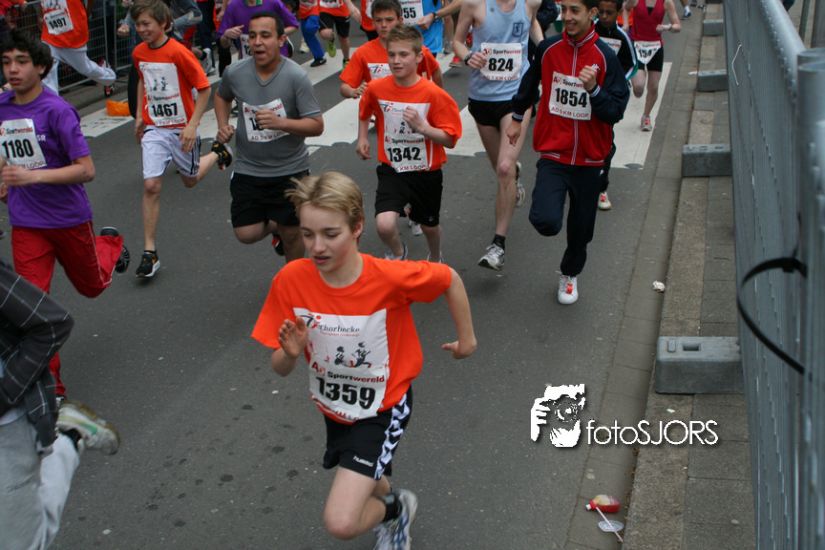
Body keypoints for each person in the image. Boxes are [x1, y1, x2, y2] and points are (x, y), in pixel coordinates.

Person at [251, 170, 476, 549]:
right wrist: (289, 354)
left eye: (330, 234)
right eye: (307, 234)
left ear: (357, 228)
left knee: (341, 521)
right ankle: (392, 506)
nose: (317, 247)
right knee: (368, 477)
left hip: (382, 407)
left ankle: (396, 511)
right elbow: (279, 366)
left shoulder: (388, 277)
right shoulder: (292, 280)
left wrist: (467, 341)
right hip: (335, 407)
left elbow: (448, 279)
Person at [0, 30, 129, 398]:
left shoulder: (57, 111)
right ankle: (53, 389)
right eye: (7, 62)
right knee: (33, 312)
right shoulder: (3, 107)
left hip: (68, 219)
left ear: (41, 67)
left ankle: (110, 245)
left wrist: (33, 176)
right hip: (27, 223)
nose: (12, 69)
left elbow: (86, 170)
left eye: (21, 62)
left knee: (92, 287)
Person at [506, 0, 629, 304]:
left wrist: (594, 90)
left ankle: (569, 273)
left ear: (592, 14)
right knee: (546, 221)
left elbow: (616, 111)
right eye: (564, 10)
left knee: (581, 230)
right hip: (555, 153)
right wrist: (517, 116)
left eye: (575, 10)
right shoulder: (548, 49)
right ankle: (550, 200)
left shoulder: (605, 57)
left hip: (591, 159)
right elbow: (529, 83)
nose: (567, 17)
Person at [0, 257, 120, 550]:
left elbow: (53, 322)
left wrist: (4, 393)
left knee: (23, 544)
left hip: (7, 429)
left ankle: (68, 437)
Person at [131, 0, 233, 279]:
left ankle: (218, 153)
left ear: (164, 23)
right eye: (138, 24)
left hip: (181, 129)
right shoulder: (139, 52)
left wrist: (191, 125)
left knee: (190, 179)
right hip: (155, 128)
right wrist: (139, 114)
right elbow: (142, 80)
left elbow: (204, 89)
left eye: (146, 24)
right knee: (151, 185)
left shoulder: (179, 53)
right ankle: (150, 252)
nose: (141, 29)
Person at [213, 11, 323, 261]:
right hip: (249, 168)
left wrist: (281, 123)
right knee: (246, 233)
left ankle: (294, 279)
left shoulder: (296, 76)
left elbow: (317, 125)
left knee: (292, 234)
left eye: (265, 35)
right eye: (252, 36)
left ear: (281, 40)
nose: (258, 42)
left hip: (290, 169)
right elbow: (221, 96)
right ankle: (278, 226)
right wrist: (222, 125)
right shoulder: (235, 72)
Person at [357, 26, 462, 262]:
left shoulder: (434, 94)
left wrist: (423, 128)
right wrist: (362, 137)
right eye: (392, 54)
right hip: (392, 168)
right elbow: (365, 110)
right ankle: (398, 253)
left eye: (403, 54)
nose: (396, 60)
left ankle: (435, 256)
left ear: (418, 57)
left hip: (426, 172)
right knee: (384, 224)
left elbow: (451, 139)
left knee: (429, 226)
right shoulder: (376, 88)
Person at [453, 0, 542, 271]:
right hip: (482, 99)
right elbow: (457, 41)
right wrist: (468, 56)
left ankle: (497, 246)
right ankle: (514, 176)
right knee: (500, 167)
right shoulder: (474, 4)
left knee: (504, 168)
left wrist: (545, 48)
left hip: (517, 97)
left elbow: (532, 23)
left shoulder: (530, 3)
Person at [339, 0, 441, 100]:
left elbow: (435, 71)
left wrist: (438, 98)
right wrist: (353, 91)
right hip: (377, 109)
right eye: (378, 20)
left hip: (412, 107)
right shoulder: (363, 52)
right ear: (373, 23)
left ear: (400, 21)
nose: (383, 25)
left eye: (389, 20)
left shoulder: (417, 50)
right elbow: (345, 86)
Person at [594, 0, 635, 210]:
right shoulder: (589, 31)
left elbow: (632, 65)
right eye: (600, 12)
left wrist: (618, 83)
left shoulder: (622, 37)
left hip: (607, 99)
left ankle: (601, 187)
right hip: (585, 94)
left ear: (618, 12)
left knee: (606, 143)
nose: (604, 16)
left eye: (609, 13)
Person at [40, 0, 117, 96]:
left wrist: (85, 14)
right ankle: (52, 103)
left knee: (85, 68)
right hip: (50, 36)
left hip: (72, 36)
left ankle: (110, 78)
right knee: (47, 74)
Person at [623, 0, 679, 131]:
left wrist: (666, 27)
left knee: (653, 87)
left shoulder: (666, 2)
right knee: (638, 89)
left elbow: (677, 26)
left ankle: (646, 116)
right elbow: (625, 7)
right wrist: (625, 25)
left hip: (655, 47)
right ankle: (635, 79)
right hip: (637, 45)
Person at [218, 0, 299, 61]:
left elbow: (294, 25)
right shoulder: (233, 6)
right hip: (248, 62)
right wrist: (226, 35)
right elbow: (224, 44)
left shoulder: (274, 2)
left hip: (275, 60)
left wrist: (273, 34)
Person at [297, 0, 328, 66]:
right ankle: (319, 58)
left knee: (309, 28)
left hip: (314, 9)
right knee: (306, 35)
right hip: (303, 12)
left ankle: (322, 28)